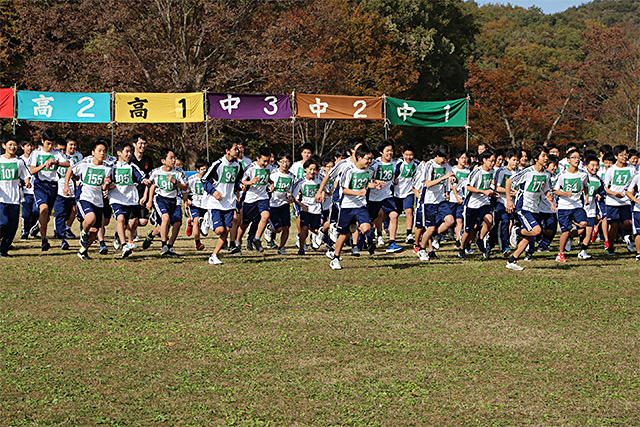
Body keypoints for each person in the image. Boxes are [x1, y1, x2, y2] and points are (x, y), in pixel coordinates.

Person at [327, 143, 380, 270]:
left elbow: (366, 185)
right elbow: (344, 190)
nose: (370, 161)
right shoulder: (348, 171)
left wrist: (375, 185)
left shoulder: (370, 171)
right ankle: (335, 257)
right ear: (359, 157)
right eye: (367, 158)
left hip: (361, 206)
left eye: (371, 159)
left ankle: (355, 227)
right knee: (343, 235)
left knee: (366, 228)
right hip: (347, 206)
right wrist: (358, 193)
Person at [505, 145, 554, 271]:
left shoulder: (546, 174)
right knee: (537, 231)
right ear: (536, 158)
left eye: (546, 156)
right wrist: (509, 201)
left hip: (534, 208)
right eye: (543, 156)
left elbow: (546, 189)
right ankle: (517, 231)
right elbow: (509, 181)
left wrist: (549, 195)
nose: (546, 158)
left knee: (529, 237)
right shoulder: (528, 171)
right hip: (523, 207)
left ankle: (512, 260)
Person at [63, 138, 112, 260]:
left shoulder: (107, 168)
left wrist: (106, 184)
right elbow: (70, 169)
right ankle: (83, 233)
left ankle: (83, 251)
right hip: (85, 197)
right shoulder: (85, 163)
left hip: (98, 200)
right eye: (99, 150)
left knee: (95, 231)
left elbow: (104, 187)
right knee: (90, 218)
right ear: (93, 152)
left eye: (104, 151)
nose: (102, 153)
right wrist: (66, 186)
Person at [201, 138, 243, 265]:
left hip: (229, 202)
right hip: (216, 203)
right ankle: (206, 220)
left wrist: (240, 187)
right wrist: (213, 191)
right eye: (235, 148)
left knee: (226, 230)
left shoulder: (238, 165)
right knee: (219, 230)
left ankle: (214, 255)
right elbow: (204, 180)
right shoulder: (218, 164)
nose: (238, 150)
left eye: (238, 148)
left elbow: (237, 181)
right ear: (227, 151)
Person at [28, 128, 71, 251]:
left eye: (52, 143)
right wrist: (44, 164)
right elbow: (32, 170)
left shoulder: (56, 153)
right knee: (44, 209)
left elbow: (68, 163)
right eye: (48, 143)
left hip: (53, 185)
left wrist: (55, 162)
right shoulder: (36, 153)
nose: (50, 146)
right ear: (42, 141)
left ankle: (39, 226)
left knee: (46, 216)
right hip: (40, 185)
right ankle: (44, 239)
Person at [142, 149, 188, 257]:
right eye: (171, 158)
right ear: (163, 161)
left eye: (174, 158)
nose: (174, 160)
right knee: (165, 219)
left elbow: (185, 187)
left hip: (175, 199)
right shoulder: (156, 172)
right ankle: (164, 246)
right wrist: (148, 200)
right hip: (161, 199)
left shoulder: (179, 172)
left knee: (176, 223)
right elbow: (151, 185)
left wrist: (175, 182)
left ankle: (168, 245)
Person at [109, 141, 150, 258]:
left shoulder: (132, 166)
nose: (129, 154)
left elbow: (141, 176)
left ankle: (119, 234)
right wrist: (108, 185)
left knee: (130, 223)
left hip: (130, 199)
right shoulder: (112, 167)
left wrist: (144, 180)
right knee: (120, 219)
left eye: (130, 152)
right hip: (116, 198)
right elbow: (106, 179)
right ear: (119, 153)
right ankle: (124, 245)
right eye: (126, 152)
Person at [416, 144, 455, 262]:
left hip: (441, 199)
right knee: (430, 228)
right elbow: (427, 184)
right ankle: (422, 249)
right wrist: (443, 178)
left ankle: (434, 235)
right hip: (429, 201)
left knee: (450, 221)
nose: (446, 161)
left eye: (447, 159)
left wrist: (453, 179)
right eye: (444, 158)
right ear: (437, 155)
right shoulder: (429, 165)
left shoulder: (446, 165)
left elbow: (450, 176)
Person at [459, 149, 498, 260]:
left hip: (485, 202)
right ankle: (461, 249)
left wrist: (492, 192)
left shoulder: (491, 171)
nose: (493, 163)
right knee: (469, 229)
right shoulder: (477, 172)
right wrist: (483, 192)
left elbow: (488, 186)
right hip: (472, 204)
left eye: (494, 161)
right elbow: (468, 187)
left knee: (489, 220)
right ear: (484, 160)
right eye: (491, 161)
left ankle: (480, 240)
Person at [553, 149, 589, 262]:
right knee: (565, 231)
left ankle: (570, 232)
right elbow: (555, 190)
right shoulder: (562, 175)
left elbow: (586, 186)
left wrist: (586, 197)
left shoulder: (583, 174)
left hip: (577, 205)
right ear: (568, 160)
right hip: (564, 206)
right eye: (574, 157)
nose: (577, 160)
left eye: (578, 157)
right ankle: (561, 253)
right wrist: (564, 193)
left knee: (584, 224)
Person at [236, 146, 272, 253]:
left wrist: (272, 184)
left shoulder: (270, 168)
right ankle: (237, 242)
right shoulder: (250, 168)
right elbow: (241, 182)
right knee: (244, 224)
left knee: (266, 215)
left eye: (268, 161)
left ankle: (257, 239)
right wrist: (250, 182)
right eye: (264, 161)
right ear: (257, 158)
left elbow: (270, 179)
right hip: (250, 198)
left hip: (263, 197)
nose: (266, 163)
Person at [0, 135, 32, 257]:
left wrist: (27, 181)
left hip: (14, 199)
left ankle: (3, 250)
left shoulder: (19, 162)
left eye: (14, 145)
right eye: (10, 145)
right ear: (4, 146)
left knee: (12, 227)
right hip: (1, 198)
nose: (13, 147)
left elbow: (26, 175)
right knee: (3, 223)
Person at [368, 139, 401, 253]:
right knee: (370, 222)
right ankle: (369, 239)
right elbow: (366, 178)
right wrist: (374, 182)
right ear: (381, 152)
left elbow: (392, 176)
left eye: (391, 151)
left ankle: (392, 243)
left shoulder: (395, 163)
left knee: (394, 215)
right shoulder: (375, 165)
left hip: (387, 196)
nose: (390, 153)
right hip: (374, 197)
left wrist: (394, 180)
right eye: (387, 151)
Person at [603, 144, 635, 255]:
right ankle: (610, 248)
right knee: (614, 226)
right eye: (621, 155)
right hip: (612, 202)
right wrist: (615, 194)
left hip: (626, 201)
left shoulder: (632, 169)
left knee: (629, 223)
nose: (624, 157)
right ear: (616, 156)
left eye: (626, 155)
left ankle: (626, 235)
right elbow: (606, 188)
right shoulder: (611, 170)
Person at [291, 157, 322, 255]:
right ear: (305, 169)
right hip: (305, 208)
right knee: (304, 227)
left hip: (316, 209)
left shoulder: (319, 181)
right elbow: (294, 197)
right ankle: (301, 248)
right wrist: (302, 205)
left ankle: (314, 236)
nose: (312, 171)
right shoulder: (301, 182)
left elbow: (324, 190)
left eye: (314, 169)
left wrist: (323, 195)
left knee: (316, 229)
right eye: (310, 169)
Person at [267, 152, 295, 255]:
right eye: (283, 161)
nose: (285, 164)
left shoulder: (292, 176)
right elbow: (266, 186)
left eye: (287, 161)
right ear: (278, 162)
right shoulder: (273, 174)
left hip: (284, 203)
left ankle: (281, 247)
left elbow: (290, 191)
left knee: (286, 227)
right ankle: (269, 229)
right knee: (278, 229)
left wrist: (290, 196)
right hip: (272, 204)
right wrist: (270, 188)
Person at [494, 148, 519, 255]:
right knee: (504, 221)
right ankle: (504, 246)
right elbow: (497, 187)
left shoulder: (519, 172)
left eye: (517, 160)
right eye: (514, 160)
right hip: (501, 202)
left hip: (514, 202)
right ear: (507, 159)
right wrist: (509, 191)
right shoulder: (501, 171)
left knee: (511, 223)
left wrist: (517, 193)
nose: (516, 162)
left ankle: (508, 242)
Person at [393, 145, 419, 245]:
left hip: (409, 192)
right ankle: (385, 231)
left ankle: (409, 234)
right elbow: (392, 174)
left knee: (409, 211)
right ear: (403, 154)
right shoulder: (399, 163)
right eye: (407, 155)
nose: (409, 157)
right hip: (397, 192)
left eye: (411, 155)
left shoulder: (416, 164)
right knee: (395, 214)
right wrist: (393, 180)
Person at [52, 138, 75, 250]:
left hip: (71, 191)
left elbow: (76, 173)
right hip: (57, 190)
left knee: (67, 214)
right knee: (60, 213)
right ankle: (62, 238)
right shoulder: (54, 158)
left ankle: (61, 229)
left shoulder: (73, 159)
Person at [130, 134, 153, 237]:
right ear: (134, 144)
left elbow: (150, 179)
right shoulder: (129, 159)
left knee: (143, 221)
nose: (142, 146)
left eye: (144, 144)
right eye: (140, 143)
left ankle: (129, 227)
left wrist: (146, 196)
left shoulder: (148, 160)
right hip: (130, 192)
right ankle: (127, 231)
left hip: (143, 191)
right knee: (131, 217)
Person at [583, 155, 604, 258]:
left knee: (589, 230)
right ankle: (568, 237)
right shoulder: (582, 176)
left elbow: (601, 191)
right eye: (592, 165)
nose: (595, 167)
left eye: (597, 165)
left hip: (591, 208)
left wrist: (599, 194)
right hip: (580, 207)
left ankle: (583, 251)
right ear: (586, 166)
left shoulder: (598, 180)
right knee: (580, 230)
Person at [185, 159, 209, 251]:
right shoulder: (192, 179)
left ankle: (190, 223)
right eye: (203, 169)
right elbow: (185, 191)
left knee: (205, 222)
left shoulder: (209, 179)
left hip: (206, 204)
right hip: (195, 203)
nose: (205, 171)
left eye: (206, 169)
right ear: (197, 170)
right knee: (196, 221)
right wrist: (187, 201)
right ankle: (198, 243)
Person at [448, 150, 470, 250]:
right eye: (462, 158)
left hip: (462, 200)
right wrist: (456, 196)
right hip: (453, 199)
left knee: (460, 220)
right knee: (450, 221)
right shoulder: (453, 170)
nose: (464, 160)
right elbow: (451, 186)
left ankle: (458, 240)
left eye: (465, 158)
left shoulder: (468, 171)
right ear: (457, 159)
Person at [20, 139, 38, 240]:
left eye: (31, 146)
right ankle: (24, 232)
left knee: (37, 211)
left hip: (36, 189)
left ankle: (32, 230)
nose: (29, 148)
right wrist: (21, 183)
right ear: (22, 147)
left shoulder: (36, 159)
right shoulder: (20, 160)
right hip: (25, 191)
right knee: (26, 214)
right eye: (27, 146)